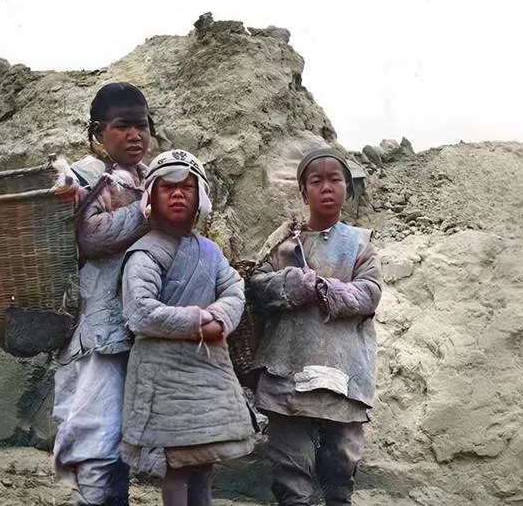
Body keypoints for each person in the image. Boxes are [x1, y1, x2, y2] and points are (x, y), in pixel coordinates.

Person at [120, 149, 256, 506]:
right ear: (151, 196)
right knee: (176, 465)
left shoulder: (211, 252)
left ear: (201, 198)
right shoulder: (145, 253)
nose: (178, 194)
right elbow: (140, 312)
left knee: (203, 462)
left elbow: (234, 290)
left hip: (207, 371)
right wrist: (197, 323)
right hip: (163, 377)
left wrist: (219, 319)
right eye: (167, 187)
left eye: (187, 187)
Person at [248, 147, 383, 506]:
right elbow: (257, 285)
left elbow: (370, 293)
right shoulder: (283, 241)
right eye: (316, 180)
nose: (326, 187)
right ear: (303, 190)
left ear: (348, 189)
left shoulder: (360, 244)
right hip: (288, 367)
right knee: (292, 471)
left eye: (335, 179)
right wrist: (292, 283)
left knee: (341, 466)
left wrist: (326, 289)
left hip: (343, 371)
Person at [52, 82, 156, 506]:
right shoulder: (82, 176)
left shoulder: (152, 177)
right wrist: (146, 213)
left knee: (122, 433)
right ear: (98, 132)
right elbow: (90, 236)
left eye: (142, 126)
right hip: (98, 323)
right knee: (97, 429)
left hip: (137, 323)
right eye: (122, 126)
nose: (135, 135)